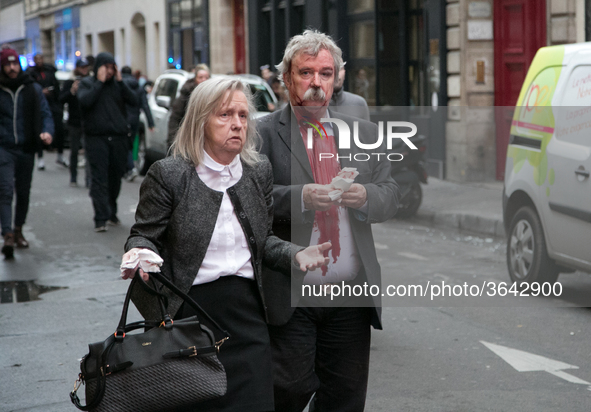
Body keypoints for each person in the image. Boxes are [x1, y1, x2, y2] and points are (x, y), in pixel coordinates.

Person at [120, 77, 331, 411]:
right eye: (225, 115)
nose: (237, 124)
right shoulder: (169, 174)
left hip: (248, 317)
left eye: (243, 115)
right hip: (188, 319)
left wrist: (297, 254)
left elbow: (263, 242)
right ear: (201, 120)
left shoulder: (257, 171)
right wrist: (141, 253)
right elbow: (143, 234)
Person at [257, 30, 399, 412]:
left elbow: (390, 195)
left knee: (345, 398)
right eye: (306, 73)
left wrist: (365, 196)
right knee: (288, 391)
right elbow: (247, 201)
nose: (316, 83)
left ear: (337, 79)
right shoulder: (263, 134)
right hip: (292, 290)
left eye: (325, 73)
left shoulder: (364, 134)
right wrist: (300, 197)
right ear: (287, 78)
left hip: (350, 294)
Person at [0, 48, 53, 259]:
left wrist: (48, 131)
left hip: (27, 146)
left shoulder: (32, 89)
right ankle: (8, 235)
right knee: (5, 190)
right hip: (4, 147)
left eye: (15, 64)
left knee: (23, 191)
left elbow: (45, 113)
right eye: (7, 64)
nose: (12, 68)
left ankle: (19, 228)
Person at [77, 52, 137, 232]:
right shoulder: (87, 83)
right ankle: (100, 217)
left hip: (118, 138)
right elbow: (85, 102)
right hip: (96, 138)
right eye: (106, 68)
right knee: (99, 178)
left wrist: (120, 81)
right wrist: (99, 82)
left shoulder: (118, 85)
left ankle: (111, 210)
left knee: (115, 177)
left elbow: (134, 100)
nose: (109, 72)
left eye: (112, 68)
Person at [27, 53, 66, 168]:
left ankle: (60, 154)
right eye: (37, 60)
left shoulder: (50, 72)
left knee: (59, 129)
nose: (39, 61)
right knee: (39, 130)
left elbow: (57, 89)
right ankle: (40, 157)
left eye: (41, 59)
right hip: (40, 104)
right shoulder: (31, 74)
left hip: (53, 104)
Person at [60, 58, 91, 187]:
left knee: (89, 151)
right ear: (77, 68)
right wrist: (72, 91)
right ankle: (73, 177)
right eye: (82, 67)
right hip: (73, 122)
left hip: (88, 121)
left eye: (86, 67)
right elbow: (61, 99)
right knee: (74, 151)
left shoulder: (90, 81)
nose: (84, 70)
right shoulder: (69, 82)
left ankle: (89, 180)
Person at [121, 66, 155, 181]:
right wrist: (151, 123)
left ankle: (129, 169)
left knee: (123, 144)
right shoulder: (138, 87)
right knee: (130, 144)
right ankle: (129, 168)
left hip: (122, 118)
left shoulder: (119, 85)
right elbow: (145, 105)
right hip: (134, 118)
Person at [166, 63, 210, 148]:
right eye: (200, 77)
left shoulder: (215, 95)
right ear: (195, 79)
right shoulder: (186, 94)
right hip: (190, 141)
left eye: (206, 77)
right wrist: (173, 142)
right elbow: (175, 118)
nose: (203, 80)